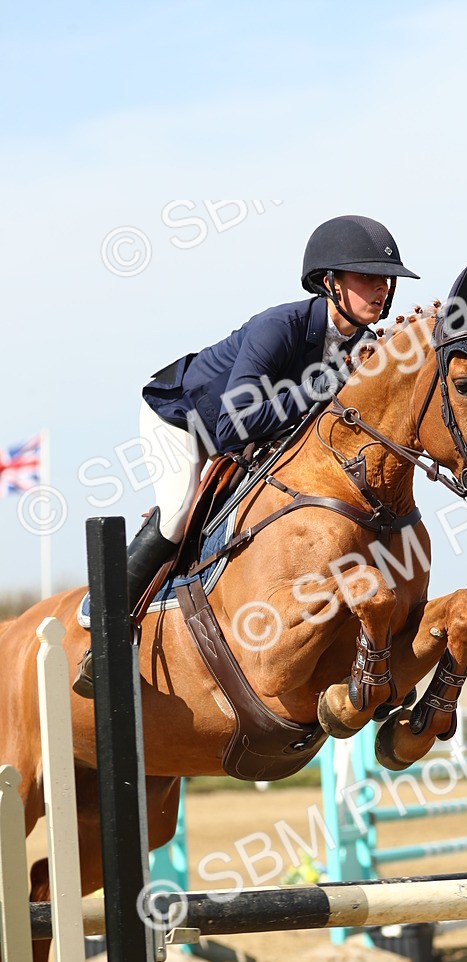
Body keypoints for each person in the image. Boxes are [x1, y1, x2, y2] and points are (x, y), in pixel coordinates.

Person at [73, 215, 419, 698]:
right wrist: (325, 385)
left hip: (248, 435)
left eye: (386, 281)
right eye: (367, 278)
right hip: (185, 419)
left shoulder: (362, 346)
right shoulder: (279, 326)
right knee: (177, 513)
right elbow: (233, 425)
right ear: (329, 282)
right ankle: (105, 615)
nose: (381, 289)